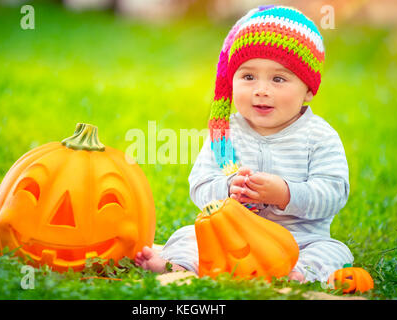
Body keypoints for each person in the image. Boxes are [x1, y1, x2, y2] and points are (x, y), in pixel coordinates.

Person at [135, 4, 353, 283]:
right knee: (189, 234)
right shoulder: (225, 134)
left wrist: (286, 194)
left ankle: (298, 274)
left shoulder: (319, 136)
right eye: (248, 76)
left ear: (308, 90)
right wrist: (227, 188)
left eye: (278, 78)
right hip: (233, 238)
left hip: (300, 240)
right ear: (232, 79)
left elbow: (333, 194)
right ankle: (179, 266)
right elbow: (200, 185)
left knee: (333, 251)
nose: (261, 89)